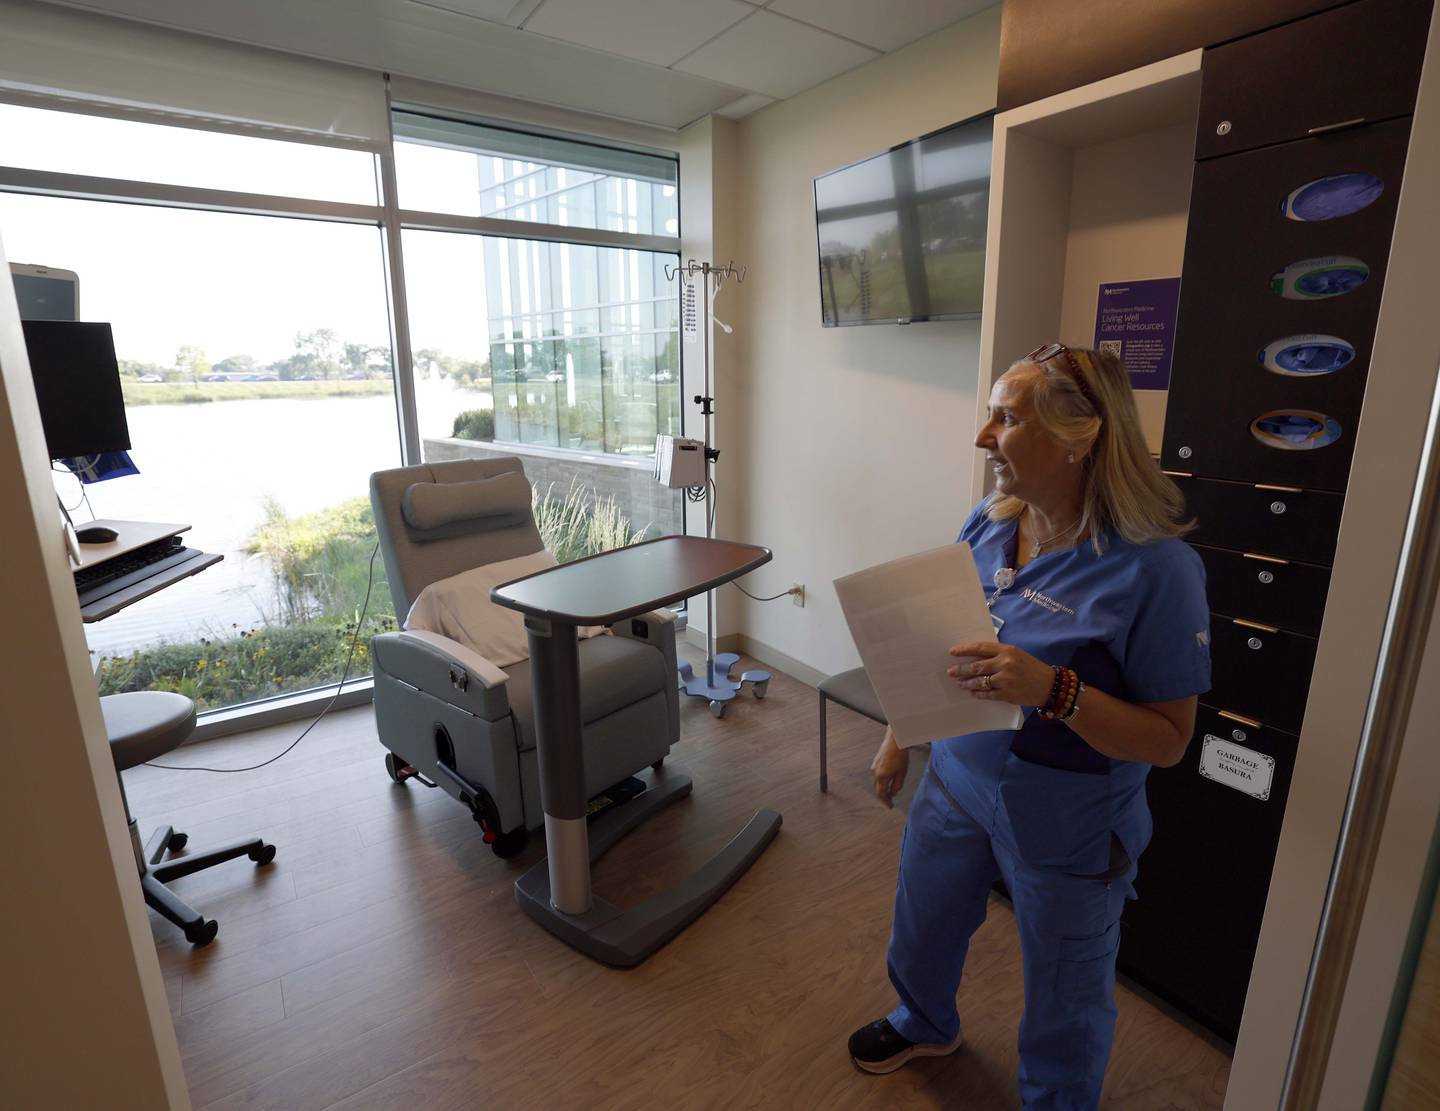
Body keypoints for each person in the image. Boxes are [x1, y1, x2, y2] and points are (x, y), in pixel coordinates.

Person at [847, 343, 1211, 1110]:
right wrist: (897, 734)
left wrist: (1057, 690)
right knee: (924, 921)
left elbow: (1170, 740)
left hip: (1069, 816)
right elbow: (936, 641)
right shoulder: (990, 518)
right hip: (955, 780)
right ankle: (924, 1019)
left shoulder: (1155, 570)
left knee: (1065, 988)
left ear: (1080, 436)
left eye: (1006, 418)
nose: (983, 435)